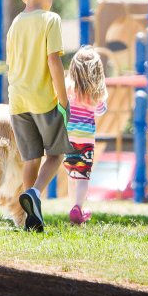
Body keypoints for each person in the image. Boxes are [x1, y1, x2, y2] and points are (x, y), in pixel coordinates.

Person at [7, 0, 70, 232]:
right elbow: (53, 61)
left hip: (17, 100)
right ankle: (35, 193)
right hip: (43, 100)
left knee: (31, 158)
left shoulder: (15, 24)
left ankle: (28, 218)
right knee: (56, 155)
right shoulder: (50, 19)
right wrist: (63, 99)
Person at [62, 45, 108, 225]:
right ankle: (78, 208)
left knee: (71, 174)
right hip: (85, 141)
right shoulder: (95, 93)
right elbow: (101, 110)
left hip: (68, 138)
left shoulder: (68, 89)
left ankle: (72, 206)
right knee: (83, 176)